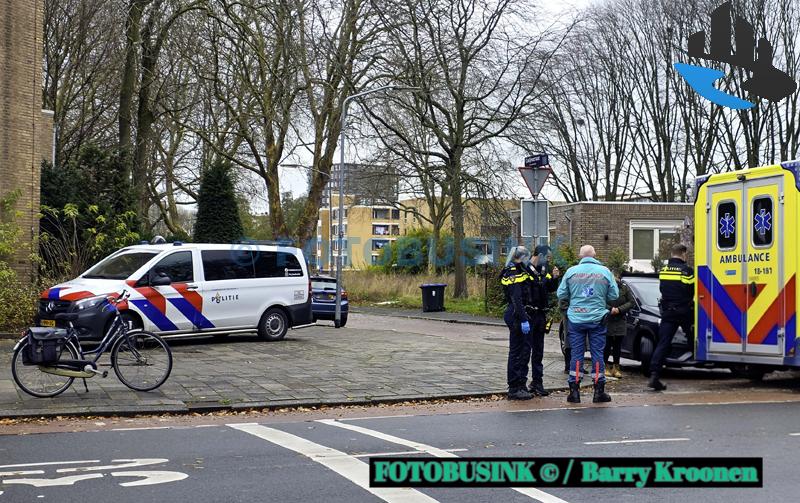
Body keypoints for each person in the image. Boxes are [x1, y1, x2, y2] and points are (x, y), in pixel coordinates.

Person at [557, 245, 619, 403]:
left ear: (580, 256)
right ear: (595, 255)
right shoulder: (605, 272)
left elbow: (561, 294)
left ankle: (574, 392)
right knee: (597, 354)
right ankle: (599, 392)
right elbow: (614, 295)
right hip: (597, 319)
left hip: (576, 319)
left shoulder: (571, 272)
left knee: (576, 354)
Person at [649, 243, 694, 391]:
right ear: (683, 254)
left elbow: (663, 289)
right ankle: (701, 362)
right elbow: (690, 290)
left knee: (663, 343)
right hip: (684, 311)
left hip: (668, 311)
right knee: (693, 337)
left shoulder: (664, 270)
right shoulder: (686, 271)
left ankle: (654, 375)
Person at [523, 245, 560, 396]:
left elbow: (549, 288)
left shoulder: (544, 269)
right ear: (539, 255)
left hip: (541, 315)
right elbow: (531, 289)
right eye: (547, 257)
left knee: (538, 351)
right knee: (525, 351)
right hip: (529, 314)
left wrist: (555, 278)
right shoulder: (525, 269)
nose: (549, 260)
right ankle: (521, 383)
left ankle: (537, 382)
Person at [501, 246, 534, 400]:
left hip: (519, 314)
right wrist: (523, 319)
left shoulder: (519, 270)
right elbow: (516, 299)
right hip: (516, 315)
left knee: (523, 351)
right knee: (516, 352)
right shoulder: (513, 272)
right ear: (521, 257)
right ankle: (514, 387)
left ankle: (520, 384)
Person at [605, 271, 634, 378]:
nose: (614, 278)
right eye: (612, 276)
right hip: (608, 319)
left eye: (616, 276)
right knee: (607, 345)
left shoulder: (625, 288)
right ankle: (605, 366)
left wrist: (619, 309)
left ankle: (616, 368)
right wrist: (610, 309)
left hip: (620, 319)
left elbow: (631, 302)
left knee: (617, 345)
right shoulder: (605, 287)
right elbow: (600, 300)